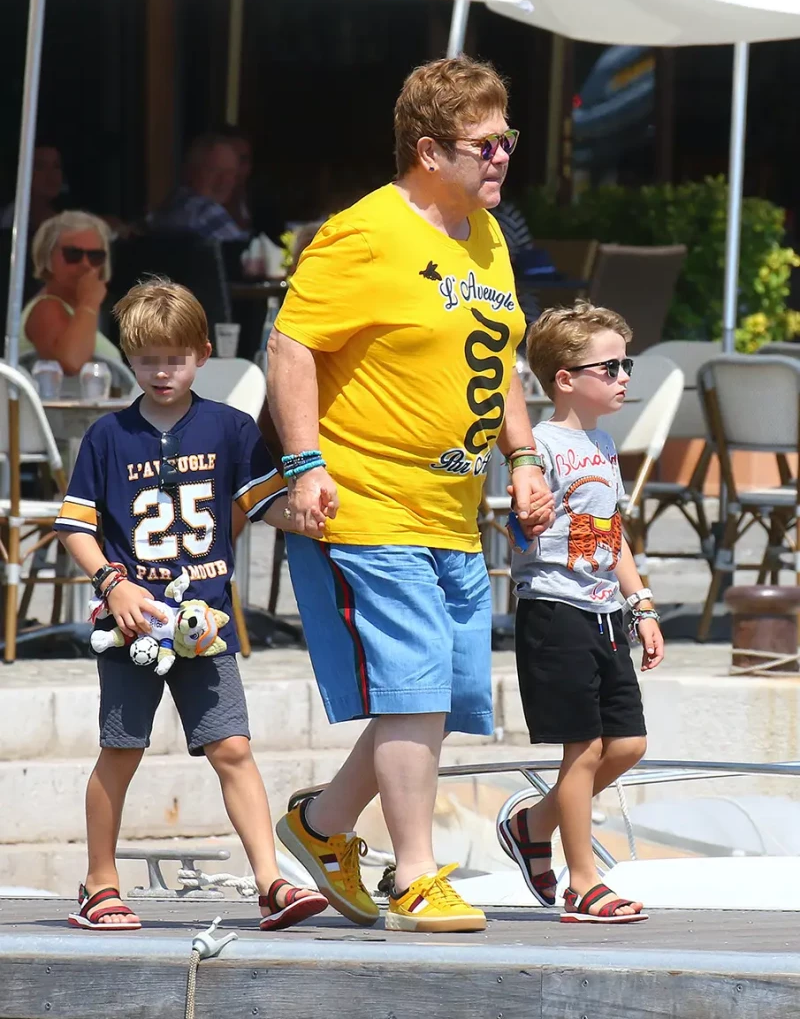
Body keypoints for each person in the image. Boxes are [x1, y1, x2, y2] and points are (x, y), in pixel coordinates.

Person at [267, 56, 554, 933]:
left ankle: (320, 828)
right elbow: (291, 347)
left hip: (454, 513)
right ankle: (415, 874)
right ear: (429, 150)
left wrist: (527, 454)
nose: (502, 156)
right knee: (415, 689)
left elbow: (497, 355)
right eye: (485, 143)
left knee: (440, 697)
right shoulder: (363, 234)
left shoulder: (487, 234)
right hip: (370, 501)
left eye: (509, 139)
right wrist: (303, 464)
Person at [54, 279, 328, 932]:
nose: (161, 372)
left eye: (175, 358)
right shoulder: (106, 436)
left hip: (203, 623)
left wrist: (315, 509)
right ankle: (100, 881)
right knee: (120, 750)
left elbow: (267, 507)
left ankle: (270, 882)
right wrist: (113, 585)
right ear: (129, 358)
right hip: (132, 625)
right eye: (147, 360)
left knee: (233, 747)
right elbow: (74, 527)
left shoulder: (230, 429)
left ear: (203, 353)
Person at [501, 301, 664, 924]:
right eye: (612, 366)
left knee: (628, 744)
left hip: (603, 611)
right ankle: (583, 882)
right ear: (565, 377)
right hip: (555, 611)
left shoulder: (600, 443)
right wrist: (525, 519)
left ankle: (531, 825)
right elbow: (519, 527)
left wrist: (640, 602)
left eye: (627, 364)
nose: (625, 377)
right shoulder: (537, 445)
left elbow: (611, 530)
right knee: (585, 747)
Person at [22, 210, 122, 375]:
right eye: (73, 254)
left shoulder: (76, 313)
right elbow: (72, 363)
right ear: (47, 257)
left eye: (95, 256)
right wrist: (89, 302)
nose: (86, 265)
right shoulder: (45, 307)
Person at [149, 134, 248, 242]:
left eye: (230, 173)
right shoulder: (203, 211)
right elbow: (248, 254)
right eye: (214, 171)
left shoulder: (170, 205)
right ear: (191, 172)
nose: (224, 181)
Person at [1, 144, 65, 232]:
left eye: (56, 166)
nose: (51, 174)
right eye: (40, 166)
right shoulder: (7, 220)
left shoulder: (69, 223)